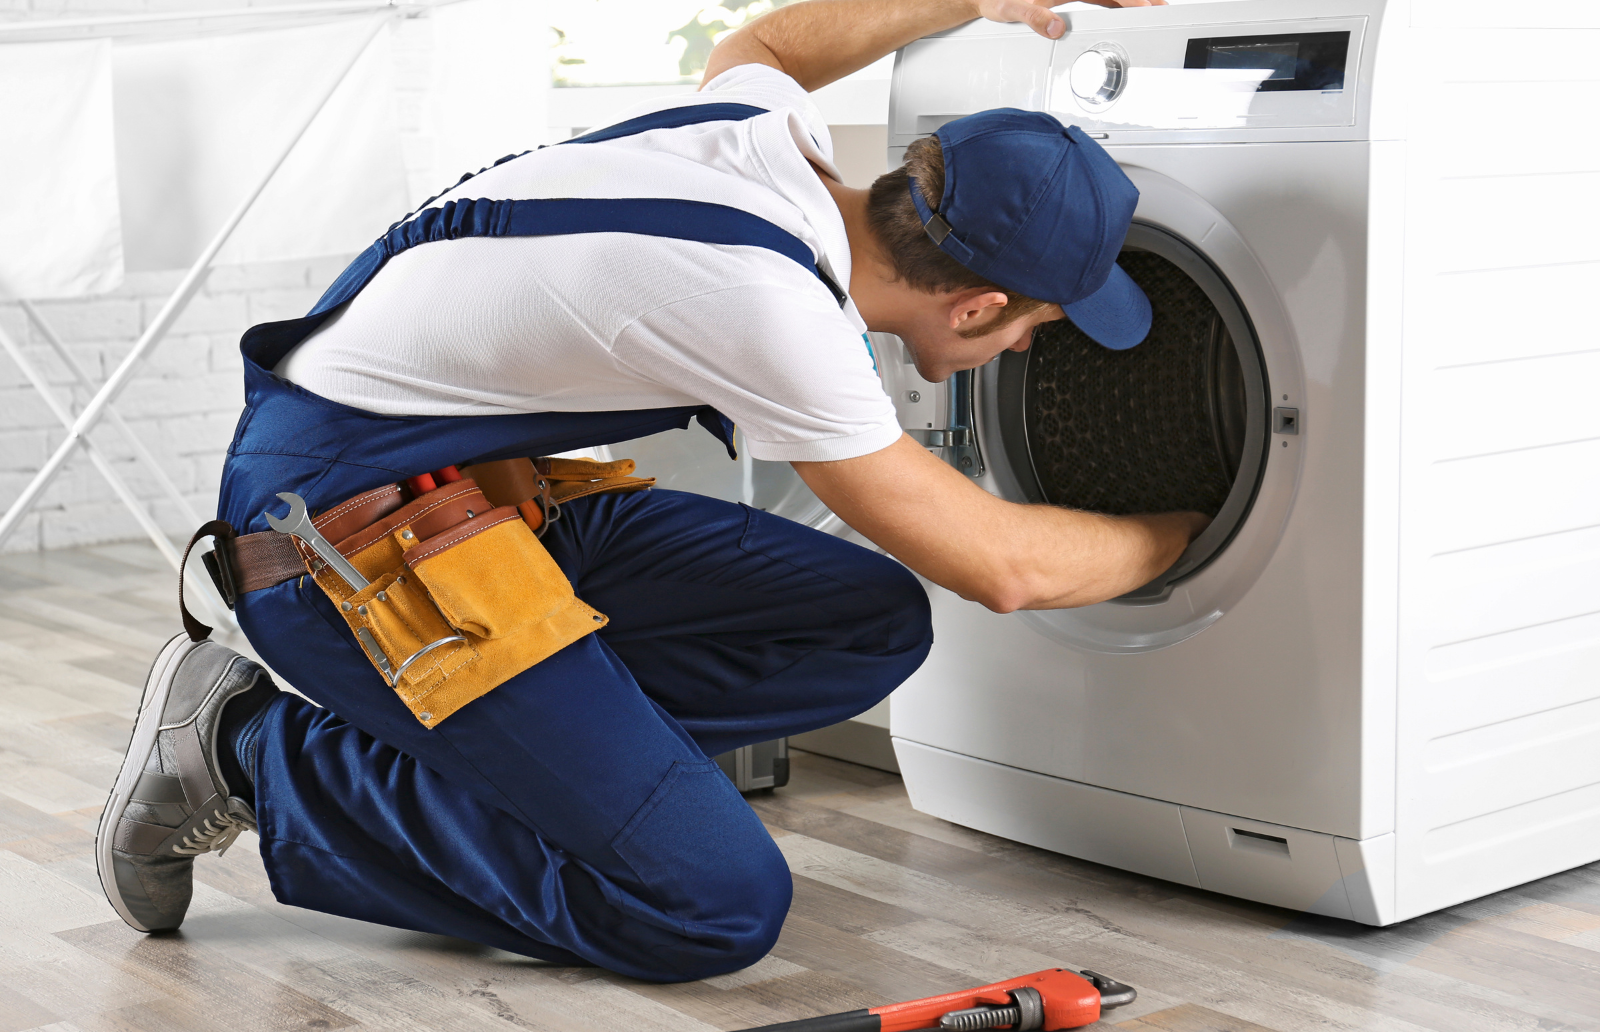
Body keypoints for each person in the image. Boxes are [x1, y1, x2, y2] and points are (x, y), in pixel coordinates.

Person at [93, 0, 1195, 982]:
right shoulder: (777, 312)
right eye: (1038, 327)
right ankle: (248, 751)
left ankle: (568, 768)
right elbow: (1000, 566)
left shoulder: (762, 142)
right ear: (977, 306)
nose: (1021, 355)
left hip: (481, 503)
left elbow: (762, 42)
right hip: (340, 553)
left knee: (865, 622)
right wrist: (1199, 533)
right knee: (710, 909)